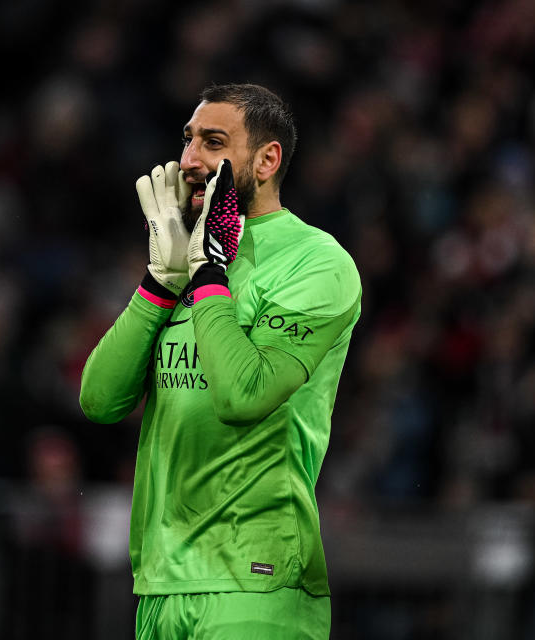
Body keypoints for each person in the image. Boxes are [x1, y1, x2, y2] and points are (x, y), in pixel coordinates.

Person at [79, 83, 362, 639]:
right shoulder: (181, 256)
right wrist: (161, 283)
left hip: (256, 580)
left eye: (213, 143)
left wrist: (209, 274)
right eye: (187, 142)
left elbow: (243, 394)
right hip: (161, 583)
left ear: (267, 159)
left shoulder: (318, 263)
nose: (189, 161)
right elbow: (100, 400)